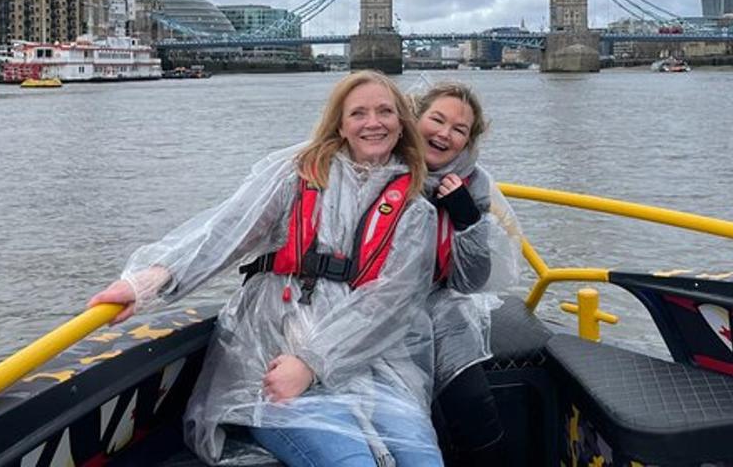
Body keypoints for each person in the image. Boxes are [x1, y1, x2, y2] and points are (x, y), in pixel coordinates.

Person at [88, 71, 443, 466]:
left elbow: (390, 302)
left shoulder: (415, 209)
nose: (373, 123)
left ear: (401, 123)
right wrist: (147, 283)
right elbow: (226, 231)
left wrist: (313, 361)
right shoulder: (298, 175)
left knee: (422, 459)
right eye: (358, 113)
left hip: (369, 361)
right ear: (340, 126)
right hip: (274, 351)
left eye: (385, 112)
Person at [413, 82, 522, 466]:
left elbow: (473, 281)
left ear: (468, 141)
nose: (444, 133)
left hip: (440, 304)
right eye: (437, 120)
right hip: (377, 309)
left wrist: (467, 219)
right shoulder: (380, 166)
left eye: (459, 129)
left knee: (474, 406)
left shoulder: (474, 186)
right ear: (415, 119)